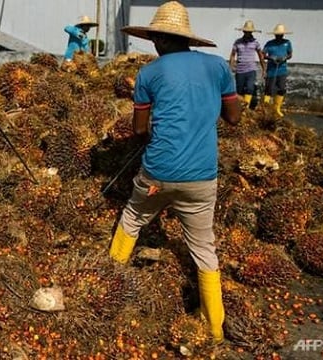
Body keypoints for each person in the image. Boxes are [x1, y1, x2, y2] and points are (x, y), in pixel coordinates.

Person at [110, 0, 240, 345]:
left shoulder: (150, 73)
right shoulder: (217, 67)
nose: (153, 43)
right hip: (201, 177)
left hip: (158, 173)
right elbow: (234, 118)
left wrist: (163, 130)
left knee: (133, 216)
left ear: (161, 40)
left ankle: (105, 285)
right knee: (203, 247)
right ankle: (213, 327)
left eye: (155, 38)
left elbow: (139, 130)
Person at [229, 20, 265, 108]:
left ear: (251, 32)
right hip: (240, 70)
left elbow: (261, 56)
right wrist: (231, 66)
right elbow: (233, 55)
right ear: (243, 31)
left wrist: (264, 69)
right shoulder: (238, 42)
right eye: (246, 31)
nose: (247, 33)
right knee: (239, 90)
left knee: (250, 88)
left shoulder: (255, 42)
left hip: (251, 69)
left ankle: (246, 108)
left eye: (249, 32)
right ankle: (239, 108)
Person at [263, 23, 293, 117]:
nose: (279, 36)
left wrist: (285, 58)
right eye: (277, 34)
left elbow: (290, 54)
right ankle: (265, 108)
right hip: (271, 69)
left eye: (281, 35)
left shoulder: (287, 43)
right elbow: (263, 54)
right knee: (268, 89)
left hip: (282, 70)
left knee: (281, 88)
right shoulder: (269, 43)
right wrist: (271, 58)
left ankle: (277, 108)